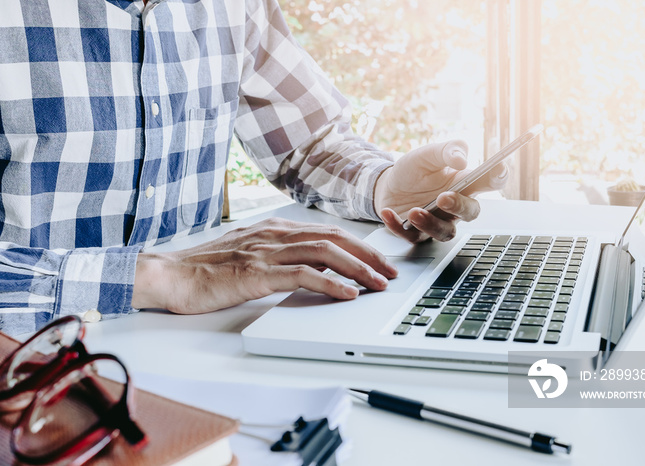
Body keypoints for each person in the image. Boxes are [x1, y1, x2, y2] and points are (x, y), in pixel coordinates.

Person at [0, 0, 506, 336]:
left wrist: (381, 187)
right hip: (26, 358)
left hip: (195, 348)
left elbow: (308, 142)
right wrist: (151, 278)